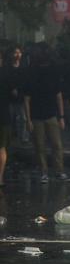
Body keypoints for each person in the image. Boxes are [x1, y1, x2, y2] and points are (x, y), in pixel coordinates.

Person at [24, 44, 67, 183]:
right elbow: (27, 99)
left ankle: (56, 171)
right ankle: (47, 172)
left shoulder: (42, 72)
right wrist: (28, 119)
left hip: (47, 114)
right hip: (42, 115)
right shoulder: (33, 73)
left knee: (51, 145)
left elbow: (58, 95)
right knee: (44, 146)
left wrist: (61, 116)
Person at [7, 45, 28, 143]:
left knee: (23, 118)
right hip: (10, 98)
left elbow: (25, 81)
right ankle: (9, 137)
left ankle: (22, 136)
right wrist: (11, 88)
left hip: (21, 97)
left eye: (19, 52)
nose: (17, 55)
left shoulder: (24, 67)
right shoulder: (7, 67)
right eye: (15, 52)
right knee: (10, 119)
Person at [0, 52, 12, 188]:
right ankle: (0, 177)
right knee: (2, 148)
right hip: (3, 116)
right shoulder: (6, 75)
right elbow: (14, 93)